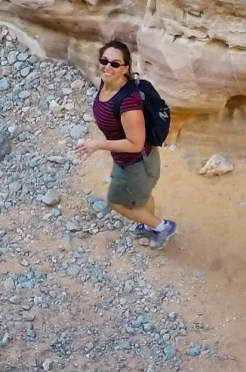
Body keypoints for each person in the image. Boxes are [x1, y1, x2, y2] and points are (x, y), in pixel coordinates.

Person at [75, 40, 177, 249]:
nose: (108, 67)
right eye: (104, 61)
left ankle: (162, 228)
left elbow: (135, 144)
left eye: (115, 64)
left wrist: (97, 144)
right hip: (138, 162)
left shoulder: (128, 102)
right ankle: (150, 226)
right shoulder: (108, 84)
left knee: (116, 201)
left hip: (136, 164)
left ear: (126, 68)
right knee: (142, 198)